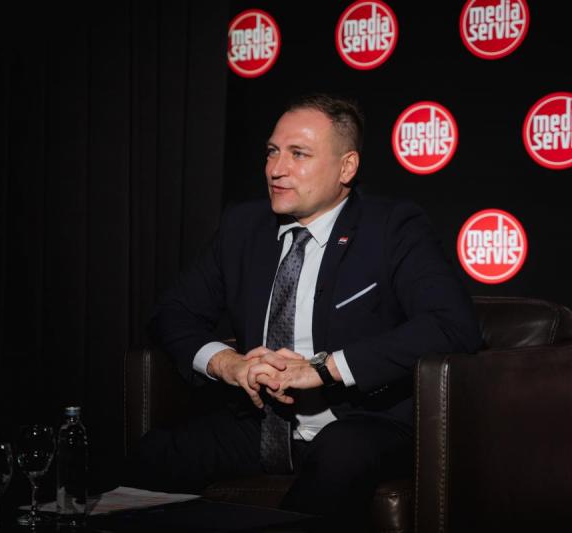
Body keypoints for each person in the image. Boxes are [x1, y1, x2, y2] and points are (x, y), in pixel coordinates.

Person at [129, 93, 482, 529]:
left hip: (363, 422)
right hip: (262, 420)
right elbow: (172, 313)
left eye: (299, 154)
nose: (276, 169)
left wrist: (324, 368)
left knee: (340, 454)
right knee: (151, 457)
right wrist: (228, 363)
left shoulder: (392, 228)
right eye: (272, 152)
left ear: (346, 168)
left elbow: (453, 324)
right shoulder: (243, 226)